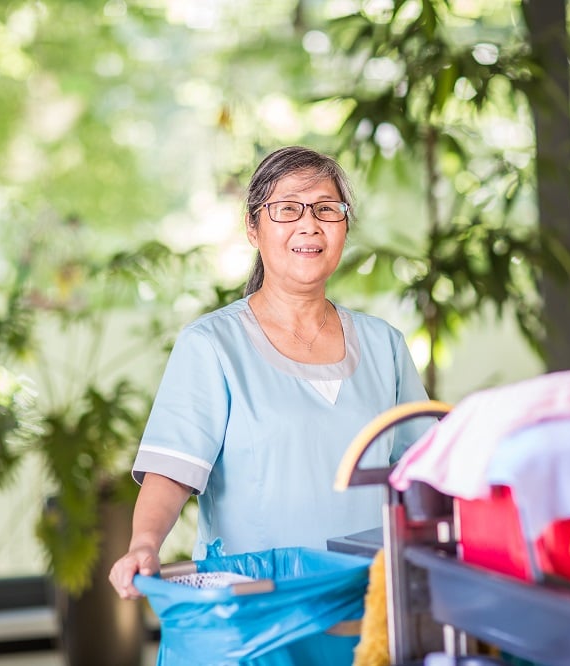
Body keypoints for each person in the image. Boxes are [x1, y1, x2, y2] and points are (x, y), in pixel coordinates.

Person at [109, 146, 432, 600]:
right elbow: (173, 469)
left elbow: (424, 468)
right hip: (257, 605)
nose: (309, 224)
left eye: (326, 209)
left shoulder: (385, 346)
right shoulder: (212, 345)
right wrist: (144, 544)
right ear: (252, 227)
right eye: (286, 209)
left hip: (368, 598)